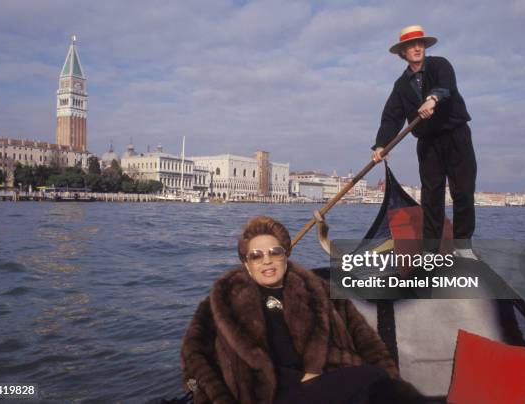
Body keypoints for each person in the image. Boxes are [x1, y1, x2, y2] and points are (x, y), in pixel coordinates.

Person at [181, 216, 425, 404]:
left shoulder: (316, 289)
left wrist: (390, 376)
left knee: (380, 384)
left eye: (274, 252)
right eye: (256, 256)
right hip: (267, 393)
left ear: (285, 256)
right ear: (246, 264)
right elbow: (193, 354)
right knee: (371, 379)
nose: (267, 260)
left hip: (322, 381)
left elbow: (364, 338)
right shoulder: (224, 300)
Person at [371, 25, 477, 259]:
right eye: (411, 45)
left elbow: (446, 86)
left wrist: (432, 99)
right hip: (428, 143)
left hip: (456, 135)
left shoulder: (441, 65)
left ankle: (463, 247)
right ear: (403, 52)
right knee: (431, 197)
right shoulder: (400, 85)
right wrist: (380, 145)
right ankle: (430, 250)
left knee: (463, 192)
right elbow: (391, 118)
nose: (417, 47)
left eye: (420, 43)